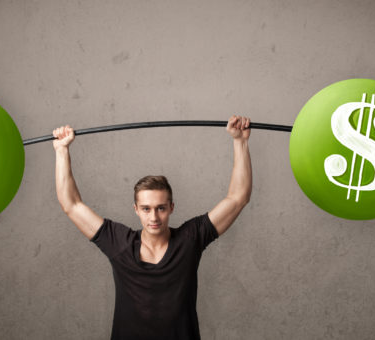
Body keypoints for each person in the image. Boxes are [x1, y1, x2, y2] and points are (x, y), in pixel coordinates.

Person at [53, 115, 252, 340]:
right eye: (146, 209)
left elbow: (238, 198)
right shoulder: (119, 243)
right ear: (136, 209)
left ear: (172, 207)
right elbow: (71, 204)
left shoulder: (190, 239)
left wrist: (240, 142)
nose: (154, 217)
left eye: (161, 208)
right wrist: (61, 151)